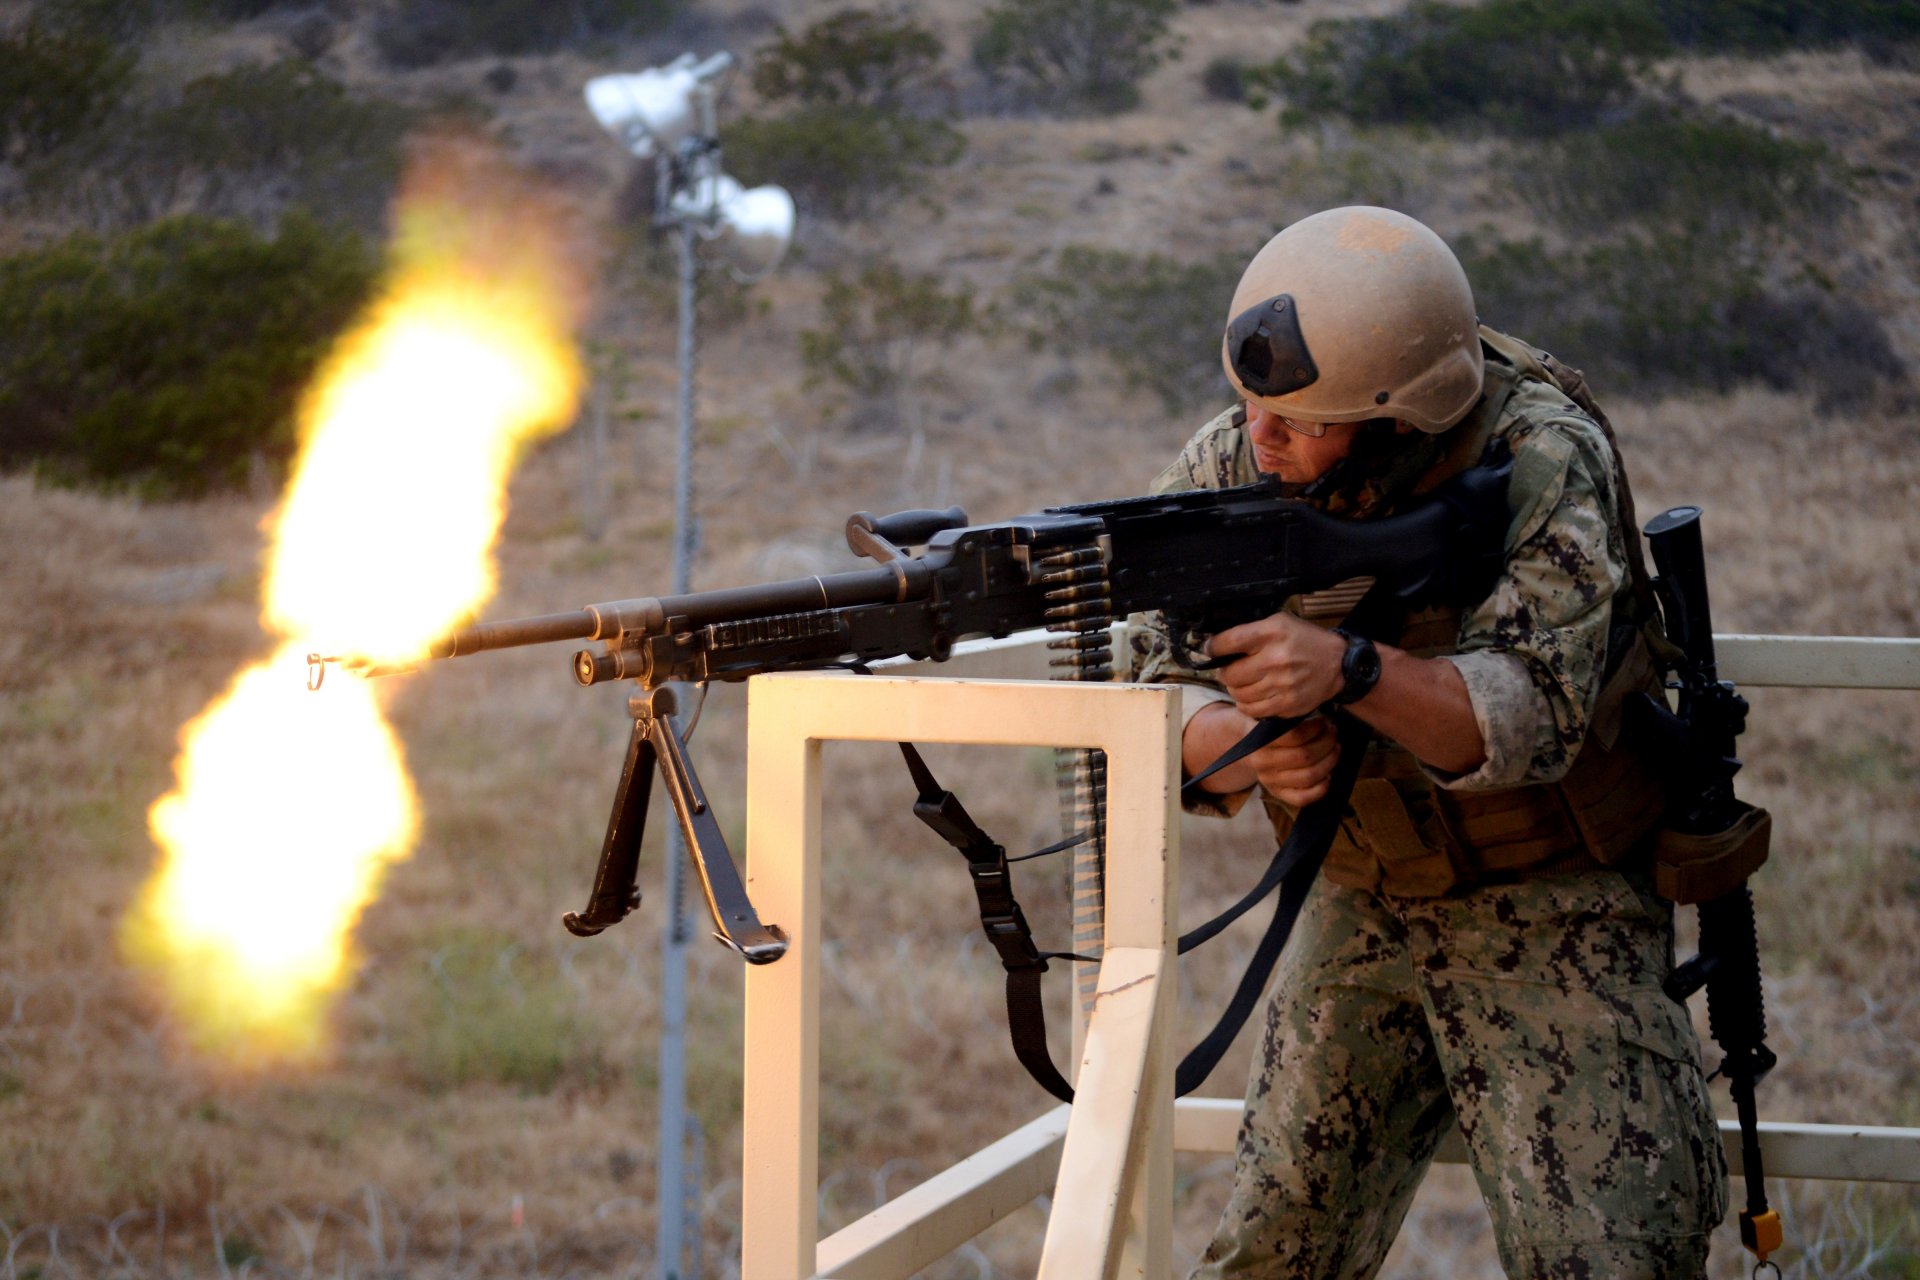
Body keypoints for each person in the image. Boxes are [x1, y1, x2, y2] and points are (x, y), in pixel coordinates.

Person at [1126, 206, 1729, 1279]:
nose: (1260, 438)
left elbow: (1534, 713)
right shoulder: (1238, 458)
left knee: (1608, 1258)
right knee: (1272, 1251)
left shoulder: (1540, 454)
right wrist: (1233, 741)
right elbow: (1126, 677)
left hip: (1556, 901)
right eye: (1252, 404)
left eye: (1300, 420)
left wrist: (1349, 670)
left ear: (1402, 416)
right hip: (1363, 888)